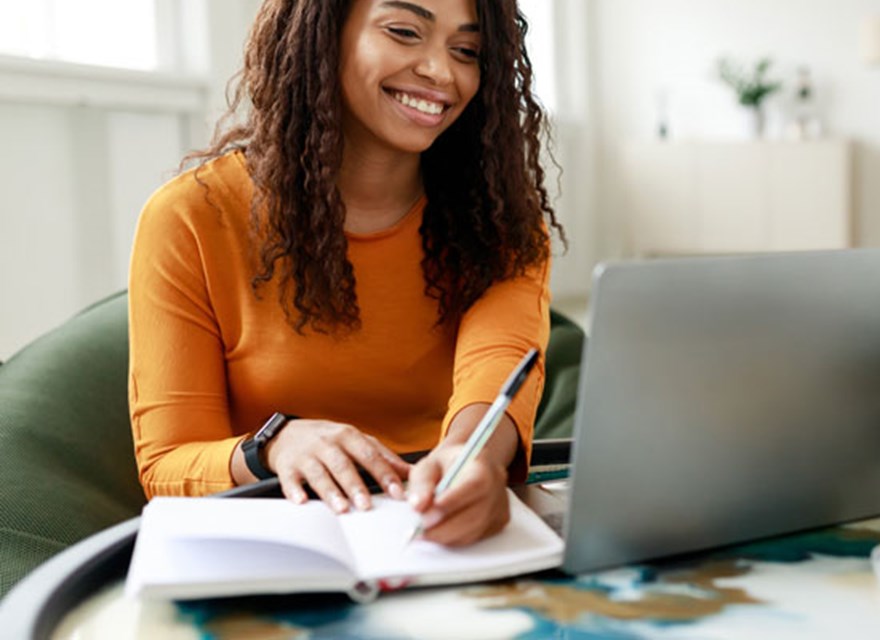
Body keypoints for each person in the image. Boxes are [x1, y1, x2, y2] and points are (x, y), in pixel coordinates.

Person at [127, 0, 562, 547]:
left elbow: (497, 363)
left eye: (466, 51)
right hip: (272, 545)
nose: (440, 72)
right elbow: (167, 465)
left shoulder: (499, 222)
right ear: (323, 34)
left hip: (436, 532)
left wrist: (469, 458)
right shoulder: (189, 219)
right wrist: (275, 446)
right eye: (404, 32)